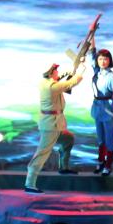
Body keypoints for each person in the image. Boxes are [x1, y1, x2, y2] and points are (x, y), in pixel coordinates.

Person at [24, 60, 86, 193]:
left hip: (55, 123)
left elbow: (59, 79)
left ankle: (63, 167)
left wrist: (68, 72)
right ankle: (29, 184)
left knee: (68, 139)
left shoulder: (47, 82)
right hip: (50, 125)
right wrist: (80, 71)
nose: (58, 72)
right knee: (42, 153)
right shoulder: (51, 87)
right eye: (56, 70)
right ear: (51, 73)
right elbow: (70, 83)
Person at [88, 45, 113, 176]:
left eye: (105, 59)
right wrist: (92, 37)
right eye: (100, 59)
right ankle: (101, 161)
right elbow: (92, 53)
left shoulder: (111, 77)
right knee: (101, 139)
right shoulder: (96, 72)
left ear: (109, 60)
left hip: (109, 109)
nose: (102, 61)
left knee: (109, 139)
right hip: (97, 108)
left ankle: (108, 165)